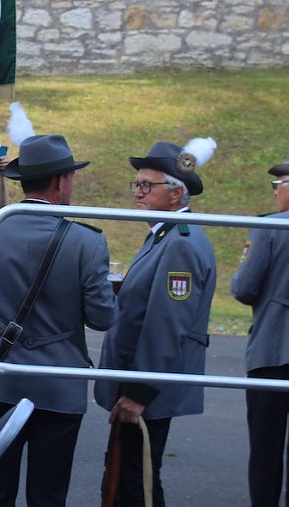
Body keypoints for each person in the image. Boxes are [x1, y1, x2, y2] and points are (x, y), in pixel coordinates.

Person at [0, 134, 118, 507]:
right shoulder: (87, 243)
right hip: (60, 386)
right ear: (60, 181)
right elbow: (103, 318)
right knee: (48, 495)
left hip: (2, 379)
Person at [95, 139, 217, 507]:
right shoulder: (164, 236)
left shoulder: (179, 241)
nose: (138, 193)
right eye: (137, 184)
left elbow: (168, 325)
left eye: (148, 186)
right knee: (130, 477)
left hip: (148, 389)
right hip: (139, 381)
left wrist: (140, 392)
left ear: (177, 193)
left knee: (138, 484)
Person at [231, 157, 289, 507]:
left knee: (266, 453)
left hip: (273, 351)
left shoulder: (271, 227)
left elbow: (244, 287)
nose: (276, 193)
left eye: (279, 184)